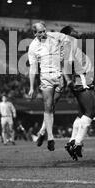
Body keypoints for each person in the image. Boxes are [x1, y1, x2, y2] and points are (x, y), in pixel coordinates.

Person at [28, 22, 68, 151]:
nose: (43, 34)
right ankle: (50, 138)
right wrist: (31, 87)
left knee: (52, 107)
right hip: (46, 78)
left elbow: (67, 42)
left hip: (59, 76)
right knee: (48, 107)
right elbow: (33, 68)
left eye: (44, 31)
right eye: (39, 32)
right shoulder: (33, 47)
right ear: (34, 33)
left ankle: (42, 131)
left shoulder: (54, 37)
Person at [60, 26, 95, 161]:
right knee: (90, 112)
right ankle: (77, 144)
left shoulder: (69, 45)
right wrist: (69, 79)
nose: (77, 32)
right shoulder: (68, 43)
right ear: (69, 34)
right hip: (81, 79)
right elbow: (67, 65)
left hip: (82, 79)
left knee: (82, 114)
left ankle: (72, 142)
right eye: (74, 30)